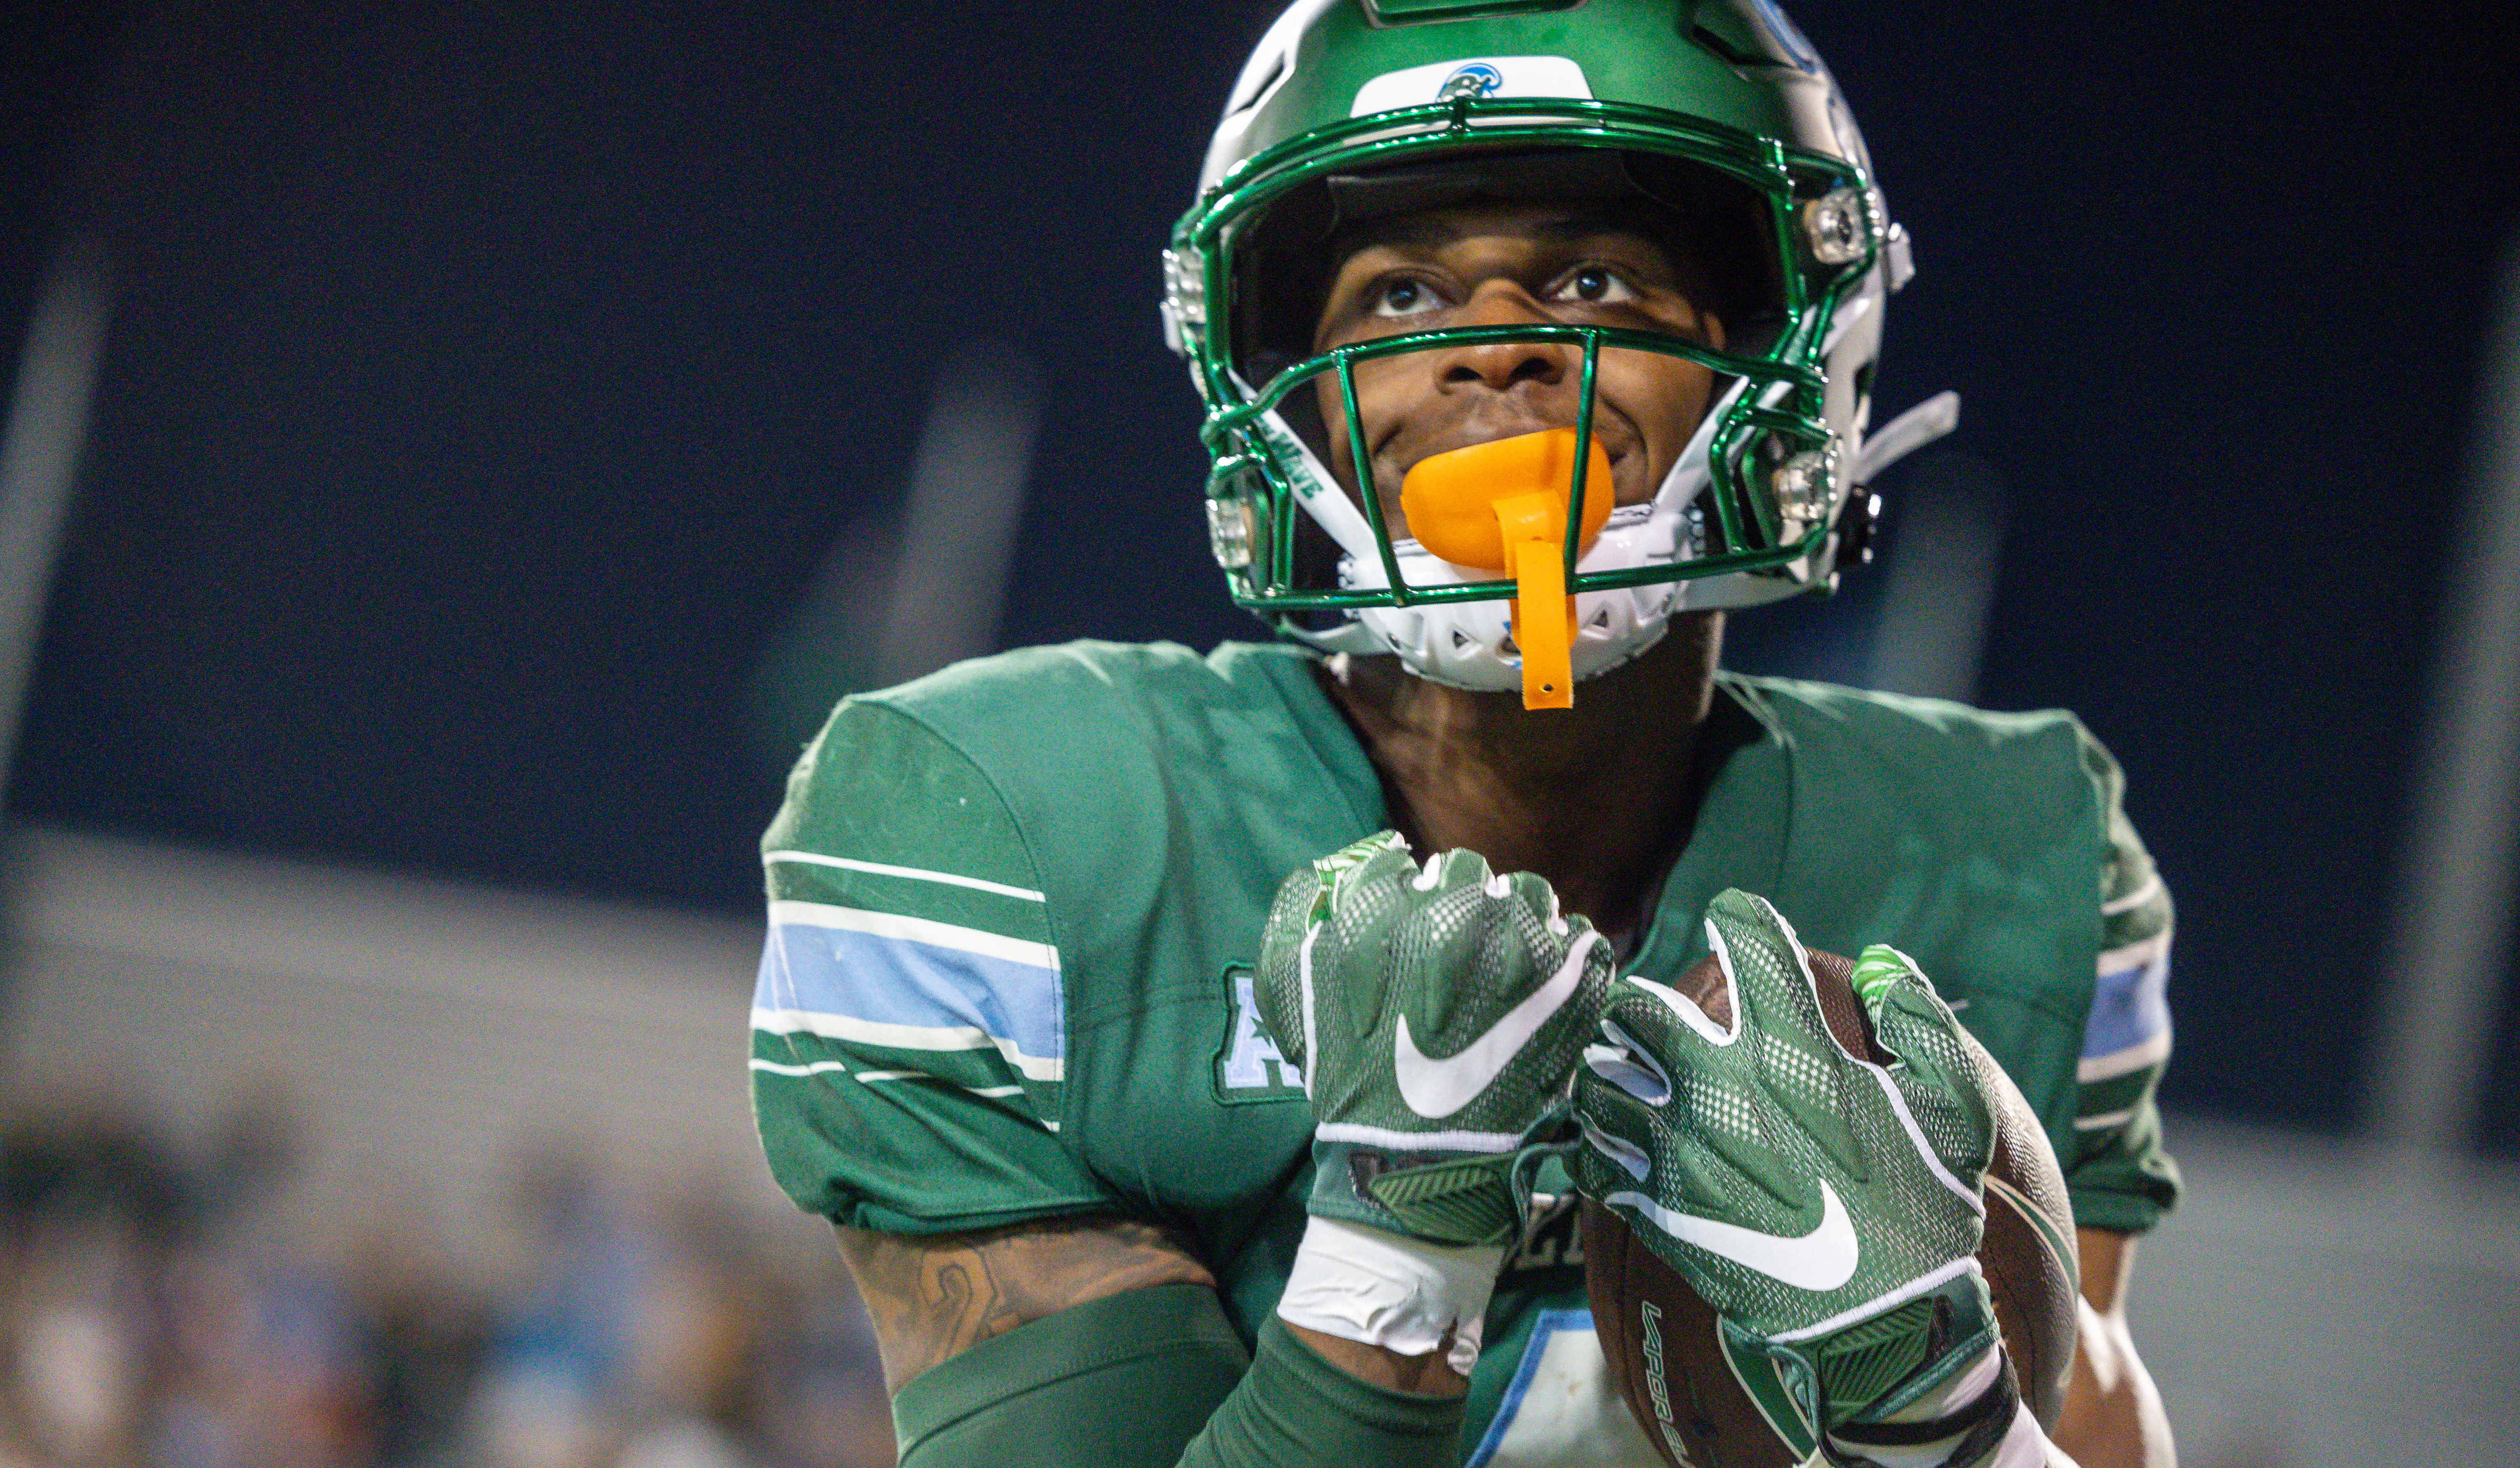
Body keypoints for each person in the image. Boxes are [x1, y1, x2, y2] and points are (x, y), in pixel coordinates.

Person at [746, 2, 2179, 1465]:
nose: (1495, 352)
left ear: (1771, 355)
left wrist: (1949, 1423)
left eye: (1592, 277)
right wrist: (1395, 1253)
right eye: (1401, 297)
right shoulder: (1010, 833)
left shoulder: (2018, 858)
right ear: (1280, 387)